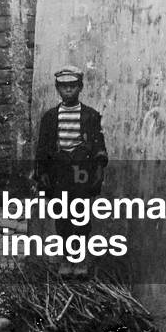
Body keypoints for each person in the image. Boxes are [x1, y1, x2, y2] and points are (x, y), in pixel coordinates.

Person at [34, 67, 108, 243]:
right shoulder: (50, 117)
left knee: (80, 214)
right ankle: (67, 257)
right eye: (63, 86)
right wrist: (42, 173)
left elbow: (99, 146)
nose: (68, 90)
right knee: (62, 215)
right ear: (57, 88)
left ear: (80, 87)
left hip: (81, 170)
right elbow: (43, 148)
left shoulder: (90, 115)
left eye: (73, 86)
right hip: (59, 171)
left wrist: (98, 171)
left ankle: (79, 257)